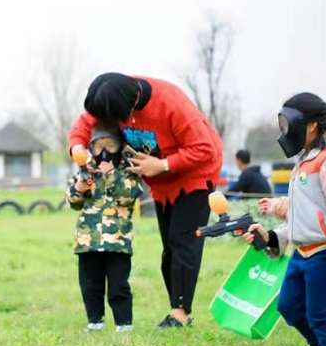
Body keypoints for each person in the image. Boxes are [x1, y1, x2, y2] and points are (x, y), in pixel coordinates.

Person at [69, 73, 223, 329]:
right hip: (161, 179)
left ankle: (180, 315)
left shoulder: (171, 103)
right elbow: (84, 126)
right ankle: (177, 310)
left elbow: (203, 148)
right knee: (169, 249)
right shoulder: (111, 95)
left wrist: (162, 164)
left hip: (195, 173)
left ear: (127, 105)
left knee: (182, 242)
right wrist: (77, 148)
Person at [243, 93, 326, 346]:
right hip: (302, 251)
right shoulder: (305, 161)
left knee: (319, 312)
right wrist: (277, 207)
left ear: (309, 126)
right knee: (289, 307)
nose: (284, 131)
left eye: (288, 123)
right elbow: (306, 205)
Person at [66, 126, 143, 332]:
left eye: (110, 146)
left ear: (119, 147)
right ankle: (95, 321)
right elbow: (72, 202)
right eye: (99, 147)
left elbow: (128, 196)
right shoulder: (85, 169)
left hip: (117, 240)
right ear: (91, 148)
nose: (105, 152)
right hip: (87, 240)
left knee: (119, 285)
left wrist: (110, 173)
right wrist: (79, 188)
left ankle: (124, 323)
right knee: (90, 285)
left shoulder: (128, 170)